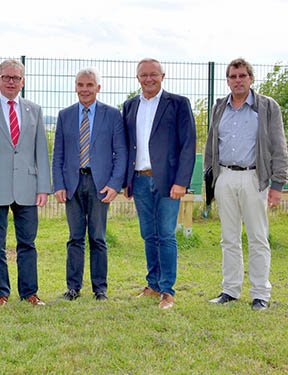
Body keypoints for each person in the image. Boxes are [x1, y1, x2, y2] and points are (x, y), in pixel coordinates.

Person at [205, 58, 288, 310]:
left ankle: (260, 294)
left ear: (251, 78)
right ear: (227, 80)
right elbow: (211, 145)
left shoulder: (266, 107)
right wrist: (209, 178)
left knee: (257, 237)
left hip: (254, 178)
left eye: (242, 76)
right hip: (225, 176)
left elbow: (278, 146)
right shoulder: (220, 106)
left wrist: (278, 184)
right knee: (228, 238)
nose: (237, 80)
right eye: (233, 76)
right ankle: (230, 290)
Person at [0, 59, 51, 307]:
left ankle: (29, 292)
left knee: (27, 243)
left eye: (16, 78)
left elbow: (41, 151)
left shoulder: (34, 110)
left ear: (22, 82)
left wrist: (43, 187)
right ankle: (1, 293)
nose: (11, 82)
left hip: (27, 187)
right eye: (6, 77)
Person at [123, 58, 196, 309]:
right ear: (137, 78)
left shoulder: (177, 104)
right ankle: (152, 285)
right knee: (148, 235)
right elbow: (126, 145)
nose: (149, 79)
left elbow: (188, 145)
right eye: (144, 75)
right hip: (140, 180)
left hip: (167, 182)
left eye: (153, 74)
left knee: (166, 235)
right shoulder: (130, 106)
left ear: (163, 76)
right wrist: (126, 181)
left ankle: (167, 291)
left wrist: (181, 182)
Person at [52, 68, 128, 301]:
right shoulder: (65, 115)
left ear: (98, 88)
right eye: (81, 85)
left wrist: (115, 184)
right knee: (75, 237)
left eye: (89, 85)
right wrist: (58, 184)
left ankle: (100, 289)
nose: (85, 89)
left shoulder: (112, 115)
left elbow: (121, 152)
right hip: (73, 184)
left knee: (97, 237)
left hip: (100, 185)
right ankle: (73, 287)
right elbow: (58, 154)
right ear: (75, 87)